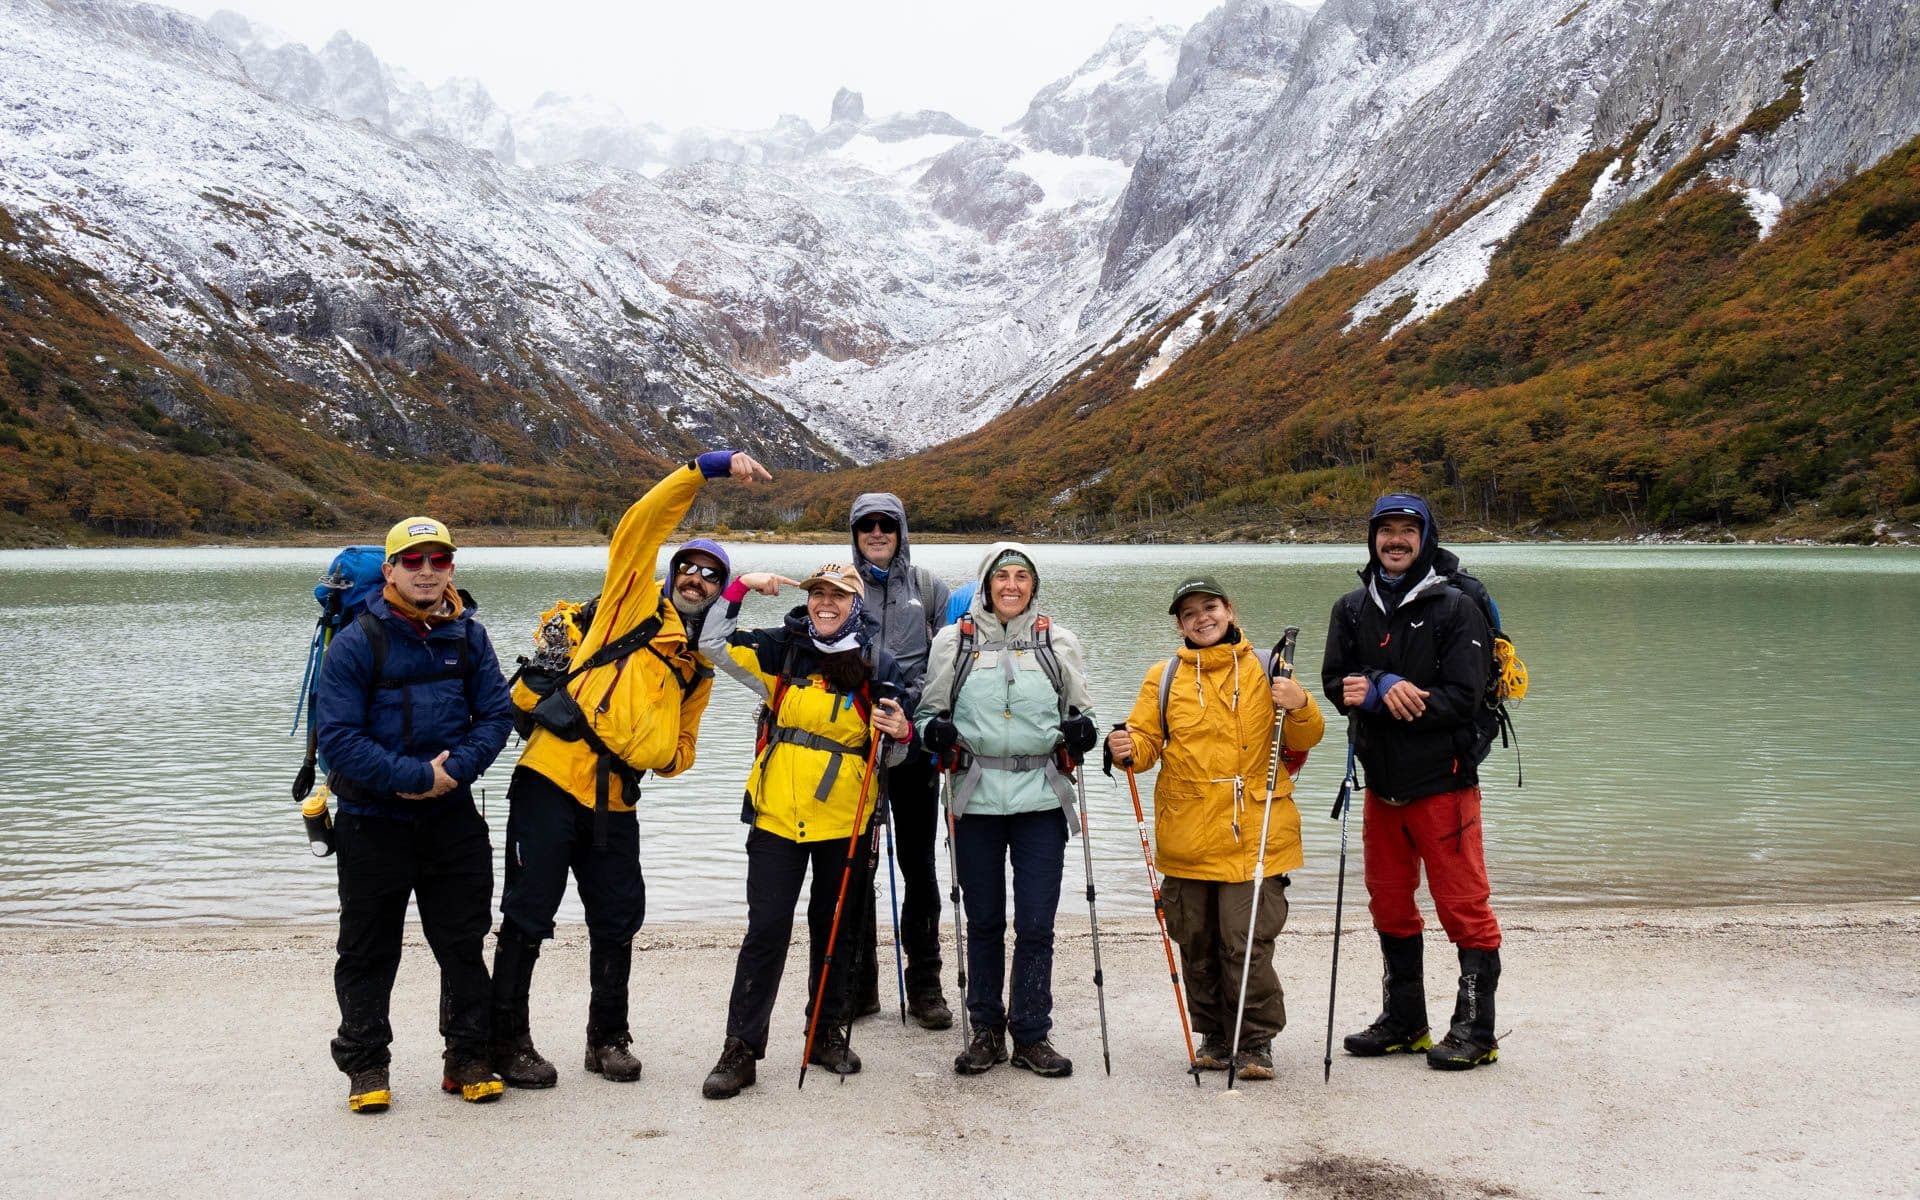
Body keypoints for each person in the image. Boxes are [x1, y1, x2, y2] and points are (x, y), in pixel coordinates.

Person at [489, 451, 769, 1090]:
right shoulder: (628, 604)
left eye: (710, 574)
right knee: (528, 913)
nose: (695, 578)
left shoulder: (697, 666)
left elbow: (686, 747)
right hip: (551, 779)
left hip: (618, 801)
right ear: (672, 574)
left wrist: (663, 755)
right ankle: (508, 1040)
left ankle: (607, 1039)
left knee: (618, 918)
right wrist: (706, 469)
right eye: (688, 567)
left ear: (719, 589)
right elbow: (640, 525)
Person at [314, 516, 516, 1113]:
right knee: (368, 948)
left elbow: (497, 718)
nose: (427, 571)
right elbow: (338, 738)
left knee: (462, 942)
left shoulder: (470, 637)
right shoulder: (358, 640)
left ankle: (468, 1057)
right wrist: (414, 777)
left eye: (439, 561)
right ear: (390, 570)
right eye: (413, 561)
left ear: (451, 568)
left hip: (452, 816)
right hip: (371, 820)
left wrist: (453, 774)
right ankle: (366, 1064)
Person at [698, 563, 915, 1099]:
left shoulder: (878, 665)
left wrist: (901, 732)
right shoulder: (783, 648)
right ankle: (741, 1049)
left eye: (839, 597)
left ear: (855, 605)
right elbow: (711, 642)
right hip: (775, 816)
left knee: (836, 931)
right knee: (766, 930)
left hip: (846, 821)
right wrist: (741, 586)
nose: (826, 604)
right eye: (819, 593)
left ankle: (826, 1035)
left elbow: (896, 749)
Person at [1105, 575, 1324, 1080]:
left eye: (1210, 607)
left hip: (1255, 828)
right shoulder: (1163, 677)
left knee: (1244, 940)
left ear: (1229, 609)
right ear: (1180, 624)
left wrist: (1300, 703)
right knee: (1197, 939)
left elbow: (1308, 734)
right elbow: (1144, 746)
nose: (1202, 618)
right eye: (1190, 613)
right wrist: (1124, 751)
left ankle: (1255, 1043)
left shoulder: (1270, 667)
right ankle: (1214, 1037)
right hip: (1186, 832)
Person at [1322, 494, 1503, 1071]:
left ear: (1426, 536)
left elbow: (1464, 698)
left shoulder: (1457, 607)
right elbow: (1335, 681)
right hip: (1381, 783)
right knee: (1390, 904)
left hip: (1445, 785)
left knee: (1463, 906)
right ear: (1371, 538)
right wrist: (1377, 683)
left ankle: (1476, 1032)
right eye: (1386, 530)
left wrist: (1390, 692)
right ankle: (1406, 1022)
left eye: (1407, 530)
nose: (1395, 540)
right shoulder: (1351, 607)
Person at [917, 543, 1096, 1077]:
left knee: (1037, 923)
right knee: (985, 920)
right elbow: (929, 713)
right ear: (986, 583)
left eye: (1022, 577)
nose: (1012, 585)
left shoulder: (1057, 641)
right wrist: (935, 732)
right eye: (1002, 576)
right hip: (974, 799)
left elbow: (1081, 710)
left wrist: (1083, 731)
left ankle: (1032, 1035)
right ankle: (987, 1031)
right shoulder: (955, 641)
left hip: (1042, 798)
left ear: (1033, 586)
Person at [848, 494, 954, 1029]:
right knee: (857, 867)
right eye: (865, 524)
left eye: (886, 523)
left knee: (919, 867)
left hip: (913, 748)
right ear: (855, 532)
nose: (876, 531)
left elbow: (951, 652)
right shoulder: (840, 583)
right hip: (852, 747)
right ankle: (860, 986)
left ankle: (926, 987)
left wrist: (913, 709)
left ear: (901, 529)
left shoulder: (929, 587)